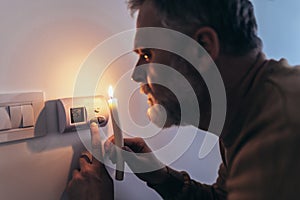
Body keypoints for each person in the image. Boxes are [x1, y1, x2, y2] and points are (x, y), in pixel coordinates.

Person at [67, 0, 300, 199]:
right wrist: (162, 177)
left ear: (202, 48)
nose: (136, 73)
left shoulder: (278, 136)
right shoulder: (248, 108)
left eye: (147, 54)